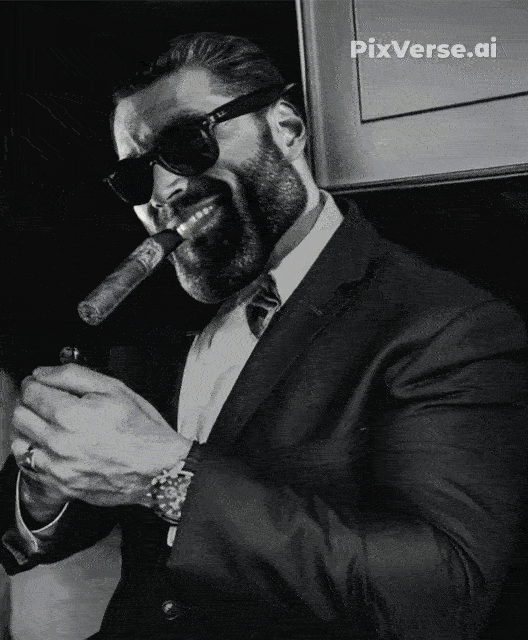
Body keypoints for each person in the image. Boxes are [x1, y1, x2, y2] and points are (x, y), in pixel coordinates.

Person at [1, 32, 527, 640]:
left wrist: (165, 478)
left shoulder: (448, 324)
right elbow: (36, 530)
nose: (162, 191)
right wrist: (41, 493)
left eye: (186, 144)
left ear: (286, 128)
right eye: (135, 177)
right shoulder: (145, 325)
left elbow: (442, 593)